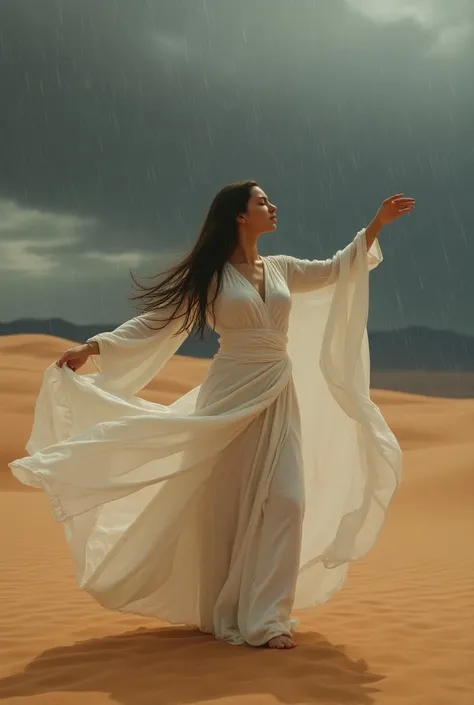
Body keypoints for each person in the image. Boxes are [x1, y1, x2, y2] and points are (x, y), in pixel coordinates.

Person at [9, 181, 414, 649]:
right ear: (240, 216)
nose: (273, 206)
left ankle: (268, 619)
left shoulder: (281, 268)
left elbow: (336, 270)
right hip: (227, 395)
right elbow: (158, 320)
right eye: (262, 201)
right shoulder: (212, 276)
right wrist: (95, 346)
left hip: (277, 393)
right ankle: (224, 609)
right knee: (222, 508)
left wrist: (377, 224)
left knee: (287, 502)